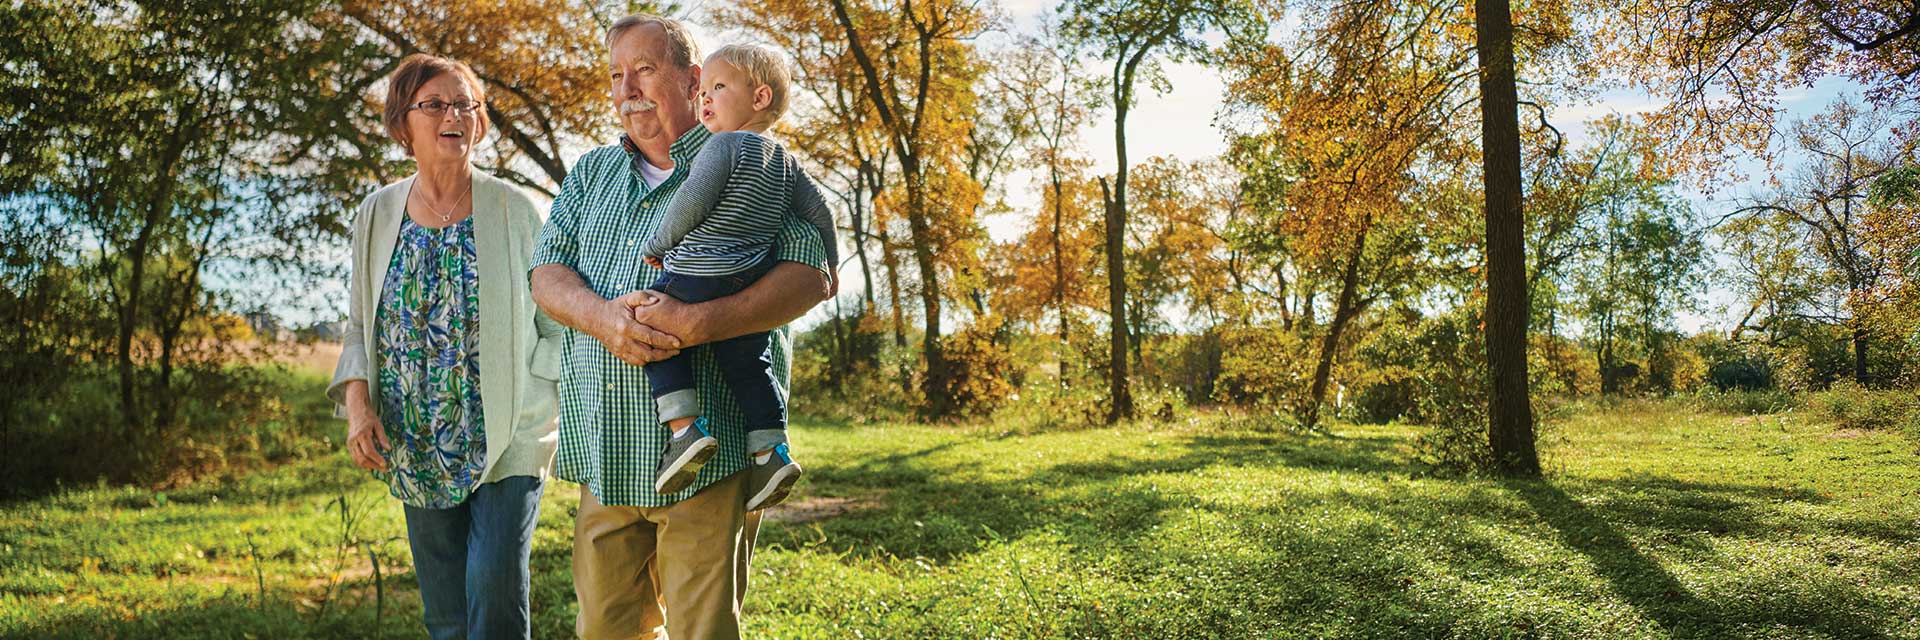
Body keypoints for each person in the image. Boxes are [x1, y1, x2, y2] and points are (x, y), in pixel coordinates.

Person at [527, 14, 833, 640]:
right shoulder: (589, 176)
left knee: (703, 632)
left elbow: (814, 273)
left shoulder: (759, 162)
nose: (626, 88)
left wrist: (697, 322)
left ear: (694, 80)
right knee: (605, 632)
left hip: (711, 458)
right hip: (607, 453)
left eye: (643, 69)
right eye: (616, 75)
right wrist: (604, 319)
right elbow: (545, 273)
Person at [327, 53, 562, 640]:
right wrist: (359, 409)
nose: (453, 114)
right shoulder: (377, 213)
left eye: (465, 104)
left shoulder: (515, 210)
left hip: (508, 437)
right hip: (414, 438)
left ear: (480, 122)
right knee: (447, 619)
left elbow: (557, 322)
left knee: (496, 597)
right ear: (403, 123)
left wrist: (541, 402)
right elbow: (360, 324)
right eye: (435, 104)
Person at [638, 43, 839, 510]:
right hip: (746, 280)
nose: (703, 98)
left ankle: (684, 430)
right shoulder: (787, 163)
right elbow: (819, 213)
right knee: (748, 362)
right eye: (702, 90)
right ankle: (771, 451)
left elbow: (692, 203)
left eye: (718, 88)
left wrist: (657, 245)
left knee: (651, 328)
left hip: (697, 271)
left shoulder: (723, 146)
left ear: (761, 97)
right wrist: (831, 262)